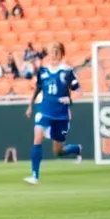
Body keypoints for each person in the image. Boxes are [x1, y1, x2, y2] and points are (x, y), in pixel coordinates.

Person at [24, 42, 82, 184]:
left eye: (57, 51)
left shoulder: (67, 72)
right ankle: (35, 176)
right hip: (45, 111)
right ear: (48, 54)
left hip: (61, 115)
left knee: (58, 151)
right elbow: (37, 88)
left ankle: (76, 149)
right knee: (37, 137)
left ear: (62, 54)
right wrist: (30, 105)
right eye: (51, 51)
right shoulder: (42, 71)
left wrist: (69, 99)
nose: (54, 54)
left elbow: (78, 91)